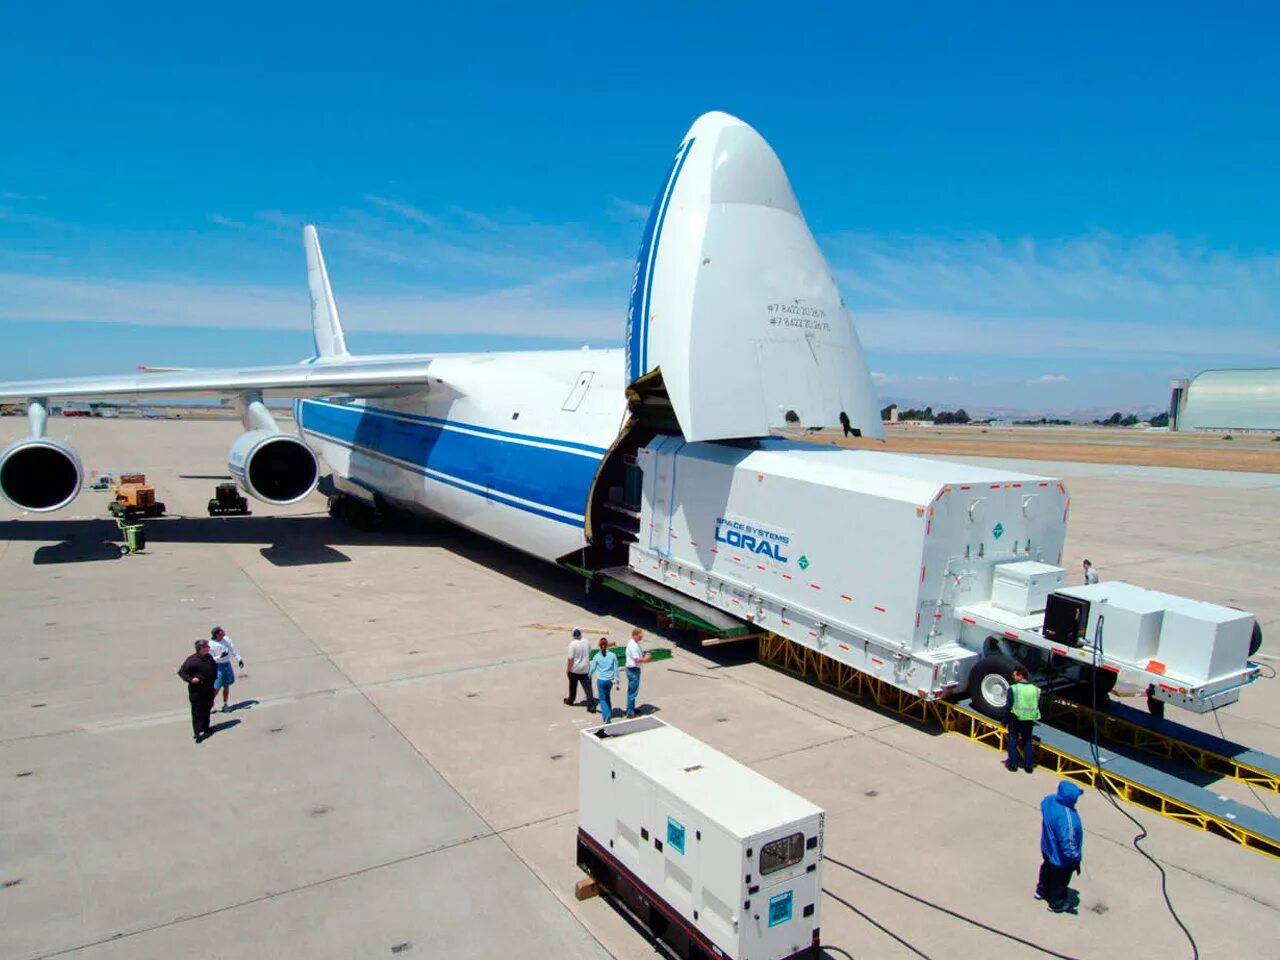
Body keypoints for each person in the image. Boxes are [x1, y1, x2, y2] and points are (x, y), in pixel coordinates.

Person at [1036, 782, 1084, 913]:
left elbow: (1043, 805)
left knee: (1046, 868)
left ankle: (1042, 890)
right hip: (1060, 858)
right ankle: (1056, 903)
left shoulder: (1050, 801)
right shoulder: (1068, 819)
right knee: (1060, 879)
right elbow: (1068, 844)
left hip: (1046, 847)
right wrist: (1075, 858)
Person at [178, 639, 218, 743]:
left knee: (208, 707)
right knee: (197, 711)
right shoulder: (192, 660)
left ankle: (206, 727)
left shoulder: (208, 657)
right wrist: (191, 679)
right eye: (207, 647)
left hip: (209, 688)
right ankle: (197, 732)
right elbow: (182, 672)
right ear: (201, 649)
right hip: (197, 691)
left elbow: (213, 666)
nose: (209, 648)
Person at [1005, 666, 1040, 773]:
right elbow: (1038, 705)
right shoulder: (1036, 689)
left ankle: (1013, 765)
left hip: (1015, 719)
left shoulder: (1014, 688)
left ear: (1021, 675)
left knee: (1012, 740)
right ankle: (1029, 767)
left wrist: (1004, 720)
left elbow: (1009, 706)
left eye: (1014, 675)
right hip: (1029, 720)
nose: (1013, 677)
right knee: (1028, 741)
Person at [207, 626, 244, 712]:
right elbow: (210, 659)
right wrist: (220, 657)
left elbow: (232, 648)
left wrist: (239, 659)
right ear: (216, 635)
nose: (223, 633)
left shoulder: (226, 639)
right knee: (216, 687)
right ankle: (209, 705)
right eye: (221, 632)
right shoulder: (211, 645)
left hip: (227, 665)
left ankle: (225, 704)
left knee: (226, 686)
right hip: (218, 667)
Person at [564, 628, 596, 712]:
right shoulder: (586, 641)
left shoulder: (572, 644)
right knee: (588, 688)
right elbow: (590, 651)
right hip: (585, 668)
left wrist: (568, 669)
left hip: (575, 669)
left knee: (573, 686)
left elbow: (570, 658)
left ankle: (571, 700)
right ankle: (591, 705)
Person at [589, 637, 619, 723]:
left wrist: (589, 675)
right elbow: (615, 668)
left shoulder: (596, 656)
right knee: (607, 696)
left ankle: (606, 715)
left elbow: (593, 668)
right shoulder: (613, 655)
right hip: (610, 680)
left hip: (601, 680)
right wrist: (617, 679)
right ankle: (609, 712)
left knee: (602, 699)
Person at [624, 627, 652, 719]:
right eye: (640, 637)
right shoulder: (634, 646)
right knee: (633, 692)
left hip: (632, 669)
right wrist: (646, 659)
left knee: (632, 691)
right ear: (635, 635)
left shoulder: (634, 643)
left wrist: (644, 655)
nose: (641, 638)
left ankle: (631, 708)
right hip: (633, 670)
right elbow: (637, 660)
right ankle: (630, 712)